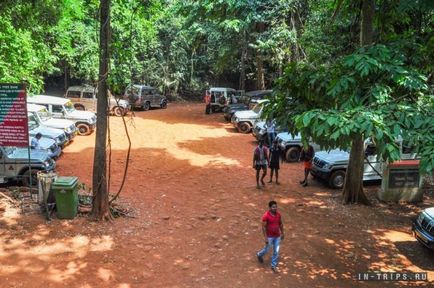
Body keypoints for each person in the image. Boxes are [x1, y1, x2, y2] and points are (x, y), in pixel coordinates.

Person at [256, 200, 284, 273]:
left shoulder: (278, 215)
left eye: (276, 207)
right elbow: (263, 227)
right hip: (270, 236)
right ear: (270, 208)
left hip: (277, 236)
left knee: (276, 251)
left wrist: (282, 233)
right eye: (273, 207)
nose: (275, 208)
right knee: (267, 249)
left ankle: (273, 265)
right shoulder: (266, 216)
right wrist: (266, 238)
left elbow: (280, 224)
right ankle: (259, 254)